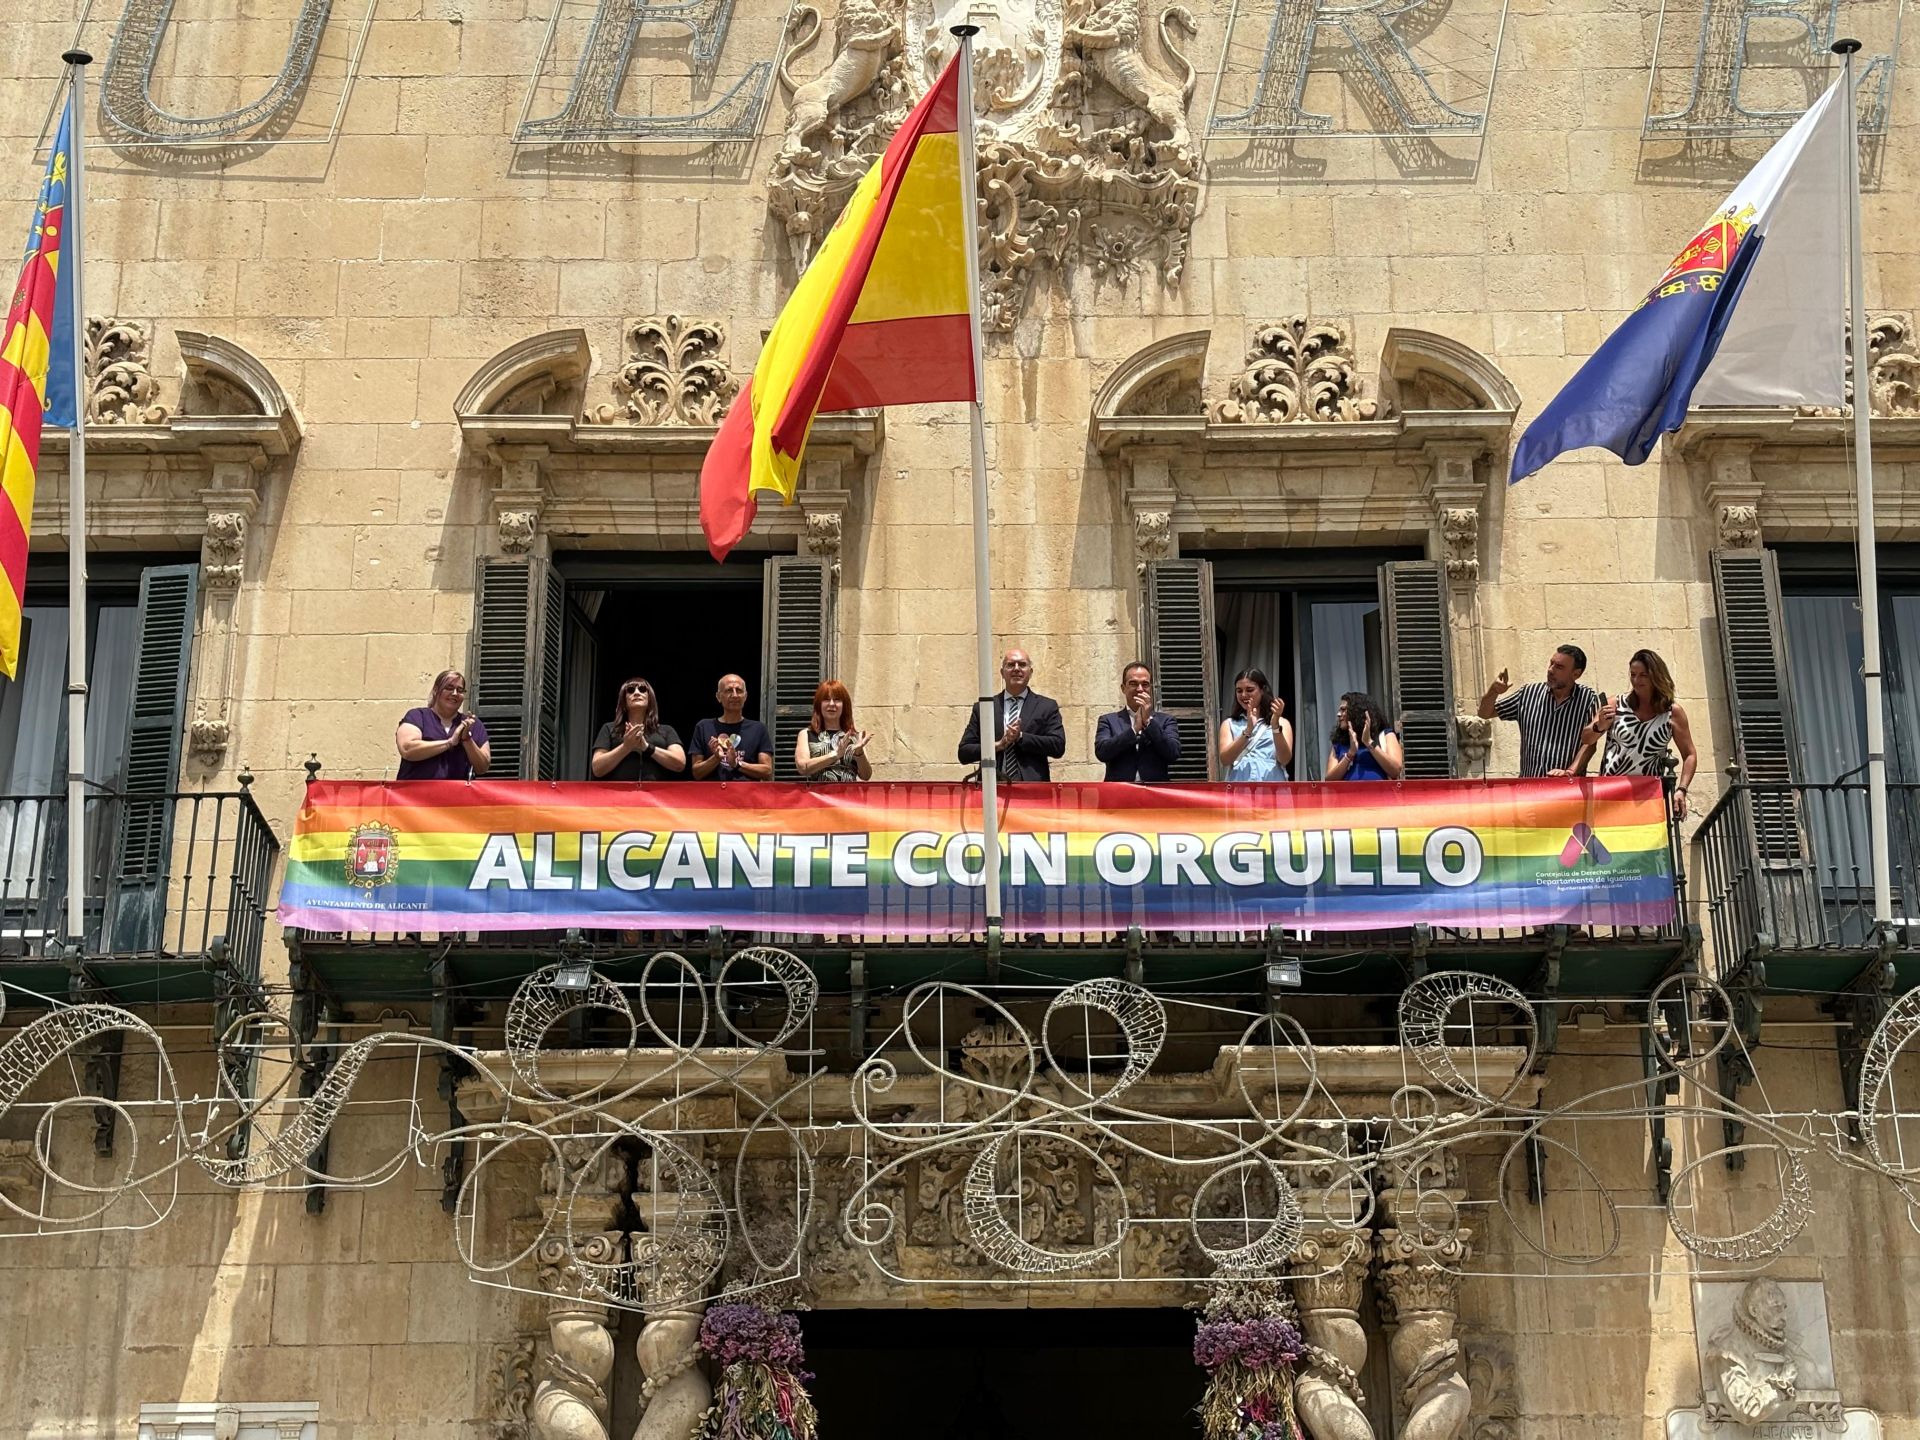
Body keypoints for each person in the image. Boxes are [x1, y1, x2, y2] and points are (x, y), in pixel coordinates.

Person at [1572, 649, 1698, 818]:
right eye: (1633, 674)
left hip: (1648, 796)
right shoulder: (1616, 704)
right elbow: (1586, 738)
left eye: (1643, 675)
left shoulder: (1672, 712)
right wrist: (1600, 725)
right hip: (1611, 793)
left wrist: (1682, 789)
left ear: (1656, 675)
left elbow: (1689, 754)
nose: (1636, 680)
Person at [1479, 644, 1601, 777]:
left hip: (1567, 790)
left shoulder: (1588, 699)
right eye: (1551, 663)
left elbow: (1590, 744)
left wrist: (1570, 772)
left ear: (1576, 674)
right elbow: (1485, 713)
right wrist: (1494, 691)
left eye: (1559, 667)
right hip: (1529, 788)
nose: (1550, 670)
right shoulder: (1528, 693)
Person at [957, 648, 1066, 781]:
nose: (1016, 669)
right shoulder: (984, 708)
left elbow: (1058, 746)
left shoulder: (1046, 706)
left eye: (1022, 664)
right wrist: (996, 746)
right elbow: (964, 752)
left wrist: (1021, 737)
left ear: (1030, 672)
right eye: (1010, 665)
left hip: (1032, 790)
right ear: (1002, 673)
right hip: (992, 789)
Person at [395, 669, 491, 780]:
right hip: (414, 795)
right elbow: (407, 749)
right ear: (436, 690)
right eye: (449, 688)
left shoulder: (473, 724)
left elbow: (483, 767)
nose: (455, 693)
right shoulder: (417, 716)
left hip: (457, 795)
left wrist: (467, 740)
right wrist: (450, 742)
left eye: (460, 690)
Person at [1094, 661, 1181, 781]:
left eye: (1145, 684)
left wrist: (1149, 723)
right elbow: (1102, 753)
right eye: (1133, 684)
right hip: (1119, 793)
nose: (1140, 689)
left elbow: (1173, 753)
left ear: (1150, 688)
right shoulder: (1108, 720)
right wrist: (1133, 730)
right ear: (1123, 688)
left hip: (1155, 793)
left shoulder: (1166, 720)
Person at [589, 677, 686, 782]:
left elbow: (679, 763)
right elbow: (597, 769)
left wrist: (647, 747)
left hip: (655, 796)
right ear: (624, 701)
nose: (636, 692)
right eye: (630, 690)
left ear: (650, 699)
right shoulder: (609, 728)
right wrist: (626, 747)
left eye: (642, 689)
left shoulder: (666, 730)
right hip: (617, 795)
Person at [689, 673, 774, 780]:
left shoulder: (758, 729)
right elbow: (696, 773)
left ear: (745, 696)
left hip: (745, 794)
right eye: (729, 690)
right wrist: (716, 758)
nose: (734, 695)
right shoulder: (703, 727)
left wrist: (737, 764)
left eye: (739, 691)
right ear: (718, 697)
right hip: (712, 795)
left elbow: (767, 771)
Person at [1218, 668, 1292, 781]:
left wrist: (1275, 726)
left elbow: (1284, 759)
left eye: (1249, 690)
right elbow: (1225, 760)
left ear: (1262, 690)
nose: (1243, 695)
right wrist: (1248, 731)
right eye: (1239, 691)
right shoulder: (1229, 724)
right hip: (1240, 789)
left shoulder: (1282, 722)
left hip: (1271, 790)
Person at [795, 679, 872, 781]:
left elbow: (866, 776)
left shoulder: (855, 737)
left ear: (844, 705)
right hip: (818, 796)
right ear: (819, 705)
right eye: (826, 699)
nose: (832, 704)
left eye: (837, 700)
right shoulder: (806, 734)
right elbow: (802, 767)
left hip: (849, 796)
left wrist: (859, 753)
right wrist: (835, 755)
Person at [1325, 691, 1403, 781]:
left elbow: (1395, 770)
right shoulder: (1339, 743)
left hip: (1380, 794)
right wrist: (1350, 755)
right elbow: (1329, 781)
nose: (1338, 714)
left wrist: (1369, 743)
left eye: (1343, 710)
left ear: (1357, 712)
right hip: (1348, 795)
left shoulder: (1385, 736)